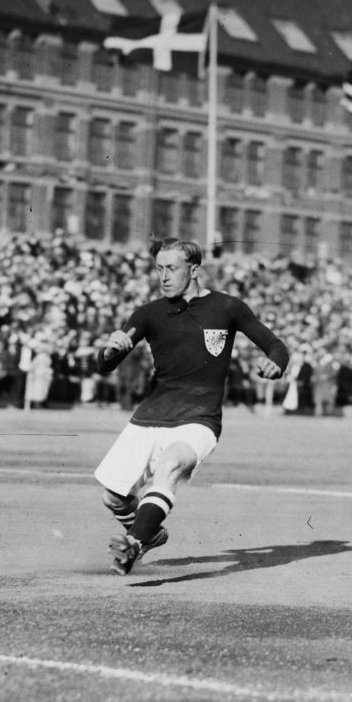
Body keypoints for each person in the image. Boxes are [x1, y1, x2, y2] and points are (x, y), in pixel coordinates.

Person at [93, 238, 289, 575]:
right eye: (159, 269)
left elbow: (274, 344)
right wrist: (111, 350)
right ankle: (149, 533)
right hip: (150, 416)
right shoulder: (149, 313)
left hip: (199, 419)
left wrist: (276, 363)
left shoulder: (228, 308)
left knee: (170, 465)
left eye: (171, 268)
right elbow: (106, 364)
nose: (163, 276)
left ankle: (135, 544)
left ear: (194, 269)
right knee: (113, 497)